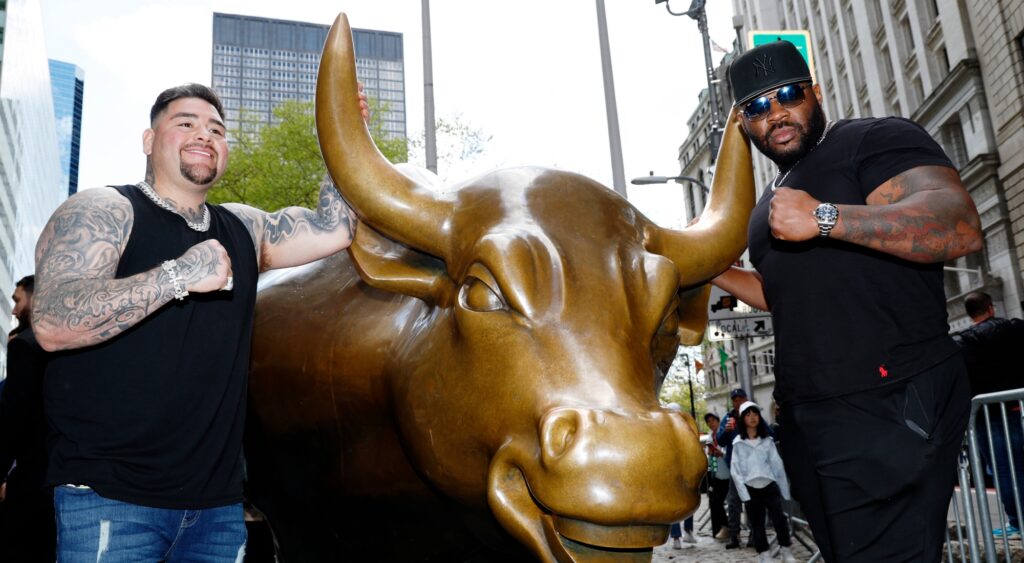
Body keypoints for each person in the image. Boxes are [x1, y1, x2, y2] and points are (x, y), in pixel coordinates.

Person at [32, 83, 369, 561]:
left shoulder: (245, 228)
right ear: (149, 141)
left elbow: (335, 227)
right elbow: (50, 321)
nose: (204, 135)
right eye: (185, 123)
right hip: (110, 498)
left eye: (216, 129)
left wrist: (343, 132)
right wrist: (178, 275)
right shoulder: (105, 209)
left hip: (217, 509)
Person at [712, 40, 983, 562]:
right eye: (757, 107)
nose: (776, 113)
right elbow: (780, 293)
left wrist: (826, 217)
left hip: (889, 400)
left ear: (815, 91)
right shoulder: (770, 201)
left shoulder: (872, 139)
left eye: (788, 94)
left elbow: (958, 225)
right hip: (812, 418)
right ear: (745, 124)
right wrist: (715, 272)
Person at [954, 291, 1024, 538]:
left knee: (1003, 469)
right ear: (990, 308)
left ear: (970, 313)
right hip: (1018, 406)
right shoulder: (1014, 329)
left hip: (988, 415)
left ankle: (1017, 521)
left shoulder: (964, 343)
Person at [0, 275, 54, 561]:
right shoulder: (68, 342)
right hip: (61, 477)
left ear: (35, 298)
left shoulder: (25, 346)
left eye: (17, 300)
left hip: (31, 478)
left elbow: (14, 417)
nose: (13, 310)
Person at [730, 401, 796, 563]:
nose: (752, 418)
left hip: (769, 485)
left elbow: (777, 466)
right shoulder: (738, 443)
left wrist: (784, 490)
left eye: (755, 414)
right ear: (742, 419)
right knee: (757, 524)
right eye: (748, 414)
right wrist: (744, 495)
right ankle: (763, 554)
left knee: (779, 519)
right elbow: (735, 471)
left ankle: (786, 550)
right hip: (751, 488)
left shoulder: (767, 440)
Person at [716, 387, 751, 549]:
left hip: (752, 467)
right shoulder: (728, 418)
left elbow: (768, 433)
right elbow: (720, 440)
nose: (737, 403)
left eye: (740, 399)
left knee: (752, 502)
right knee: (733, 502)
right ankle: (734, 535)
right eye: (735, 400)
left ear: (745, 399)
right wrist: (726, 431)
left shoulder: (752, 414)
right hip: (735, 468)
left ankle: (754, 534)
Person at [704, 412, 730, 541]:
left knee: (727, 502)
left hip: (728, 473)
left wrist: (722, 453)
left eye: (713, 420)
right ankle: (725, 527)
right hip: (716, 474)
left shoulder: (723, 433)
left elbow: (729, 452)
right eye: (708, 421)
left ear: (718, 421)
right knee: (716, 502)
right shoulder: (710, 437)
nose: (711, 423)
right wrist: (710, 454)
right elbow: (711, 461)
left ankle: (730, 528)